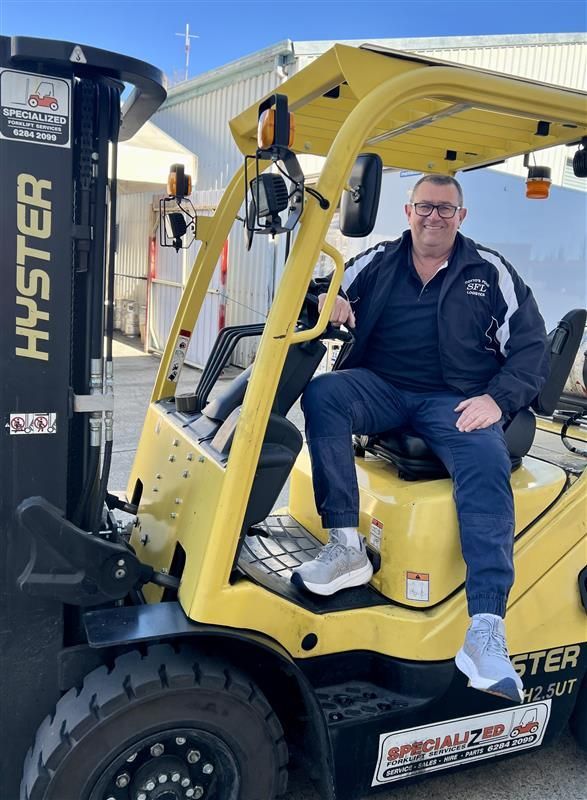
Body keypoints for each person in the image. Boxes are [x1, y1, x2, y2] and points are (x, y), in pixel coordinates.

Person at [291, 174, 550, 704]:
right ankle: (345, 546)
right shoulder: (379, 260)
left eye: (446, 209)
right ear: (408, 212)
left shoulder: (489, 271)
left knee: (484, 460)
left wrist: (497, 401)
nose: (435, 217)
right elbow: (321, 288)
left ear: (462, 216)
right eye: (425, 207)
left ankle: (485, 628)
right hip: (383, 388)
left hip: (453, 399)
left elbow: (531, 347)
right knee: (323, 396)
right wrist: (331, 300)